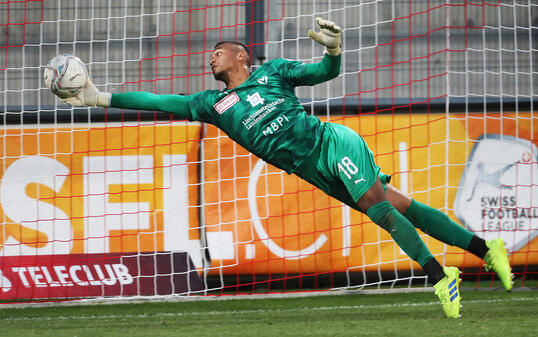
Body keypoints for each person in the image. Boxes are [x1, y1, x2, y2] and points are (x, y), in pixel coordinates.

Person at [53, 18, 513, 318]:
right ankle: (483, 247)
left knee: (377, 206)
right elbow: (157, 101)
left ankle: (439, 277)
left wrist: (333, 52)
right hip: (312, 170)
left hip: (332, 144)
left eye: (219, 50)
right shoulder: (212, 103)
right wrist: (100, 97)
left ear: (241, 57)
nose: (211, 56)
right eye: (210, 53)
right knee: (400, 206)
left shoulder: (273, 72)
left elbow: (322, 74)